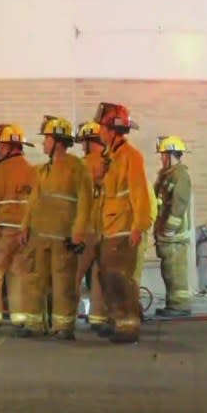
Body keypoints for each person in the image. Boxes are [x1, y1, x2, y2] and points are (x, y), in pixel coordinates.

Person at [18, 116, 92, 340]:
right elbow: (33, 201)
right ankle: (34, 324)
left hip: (63, 237)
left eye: (47, 139)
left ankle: (63, 327)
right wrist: (25, 227)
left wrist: (78, 232)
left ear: (58, 142)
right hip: (39, 236)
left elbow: (86, 203)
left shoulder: (77, 168)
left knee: (63, 283)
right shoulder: (43, 170)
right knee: (34, 280)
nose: (43, 143)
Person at [93, 102, 151, 343]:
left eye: (102, 128)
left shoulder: (131, 157)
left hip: (124, 228)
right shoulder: (109, 157)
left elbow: (139, 193)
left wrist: (139, 225)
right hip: (108, 229)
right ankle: (117, 320)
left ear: (113, 130)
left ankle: (128, 327)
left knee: (121, 280)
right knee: (108, 278)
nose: (99, 132)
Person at [0, 124, 37, 333]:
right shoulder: (32, 170)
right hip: (24, 233)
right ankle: (19, 318)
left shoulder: (0, 171)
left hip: (0, 233)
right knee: (18, 276)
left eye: (2, 146)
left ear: (9, 147)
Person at [74, 121, 109, 331]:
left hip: (84, 229)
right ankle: (98, 318)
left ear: (88, 142)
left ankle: (65, 317)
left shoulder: (80, 166)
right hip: (105, 229)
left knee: (72, 275)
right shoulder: (111, 164)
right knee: (99, 276)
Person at [153, 136, 193, 317]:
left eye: (163, 155)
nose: (161, 159)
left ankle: (180, 305)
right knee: (169, 271)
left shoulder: (180, 175)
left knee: (176, 271)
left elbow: (179, 203)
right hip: (166, 232)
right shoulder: (166, 175)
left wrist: (170, 227)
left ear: (171, 155)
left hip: (174, 234)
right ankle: (173, 304)